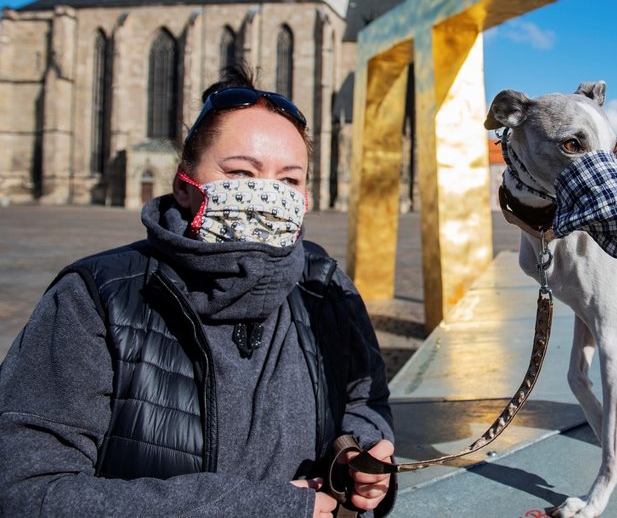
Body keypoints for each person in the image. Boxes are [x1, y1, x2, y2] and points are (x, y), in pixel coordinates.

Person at [0, 65, 395, 517]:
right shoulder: (96, 296)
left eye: (288, 180)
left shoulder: (323, 285)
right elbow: (24, 490)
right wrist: (254, 509)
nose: (267, 193)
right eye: (243, 173)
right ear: (184, 185)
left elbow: (364, 398)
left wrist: (354, 454)